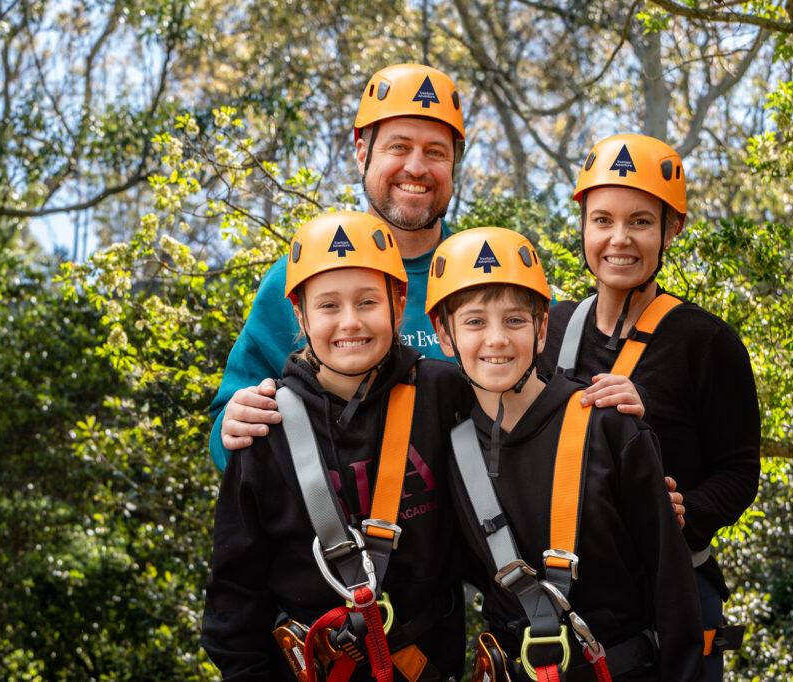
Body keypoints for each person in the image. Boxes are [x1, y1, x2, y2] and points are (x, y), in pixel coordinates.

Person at [201, 211, 474, 681]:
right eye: (328, 306)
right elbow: (235, 597)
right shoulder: (266, 428)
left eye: (368, 301)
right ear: (299, 315)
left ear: (399, 301)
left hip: (429, 665)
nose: (350, 322)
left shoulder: (444, 396)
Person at [425, 227, 705, 681]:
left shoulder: (608, 426)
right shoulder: (450, 444)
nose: (496, 339)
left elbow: (671, 588)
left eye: (515, 320)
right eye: (475, 321)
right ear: (444, 334)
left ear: (541, 330)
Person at [536, 134, 761, 680]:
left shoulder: (706, 342)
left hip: (675, 600)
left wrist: (689, 512)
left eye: (640, 221)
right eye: (603, 220)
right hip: (568, 605)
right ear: (583, 224)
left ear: (671, 228)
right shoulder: (549, 328)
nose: (619, 239)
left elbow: (739, 470)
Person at [206, 63, 468, 470]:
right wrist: (233, 426)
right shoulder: (300, 277)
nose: (416, 168)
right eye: (398, 147)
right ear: (362, 152)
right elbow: (231, 424)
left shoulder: (489, 275)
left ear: (453, 164)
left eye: (435, 152)